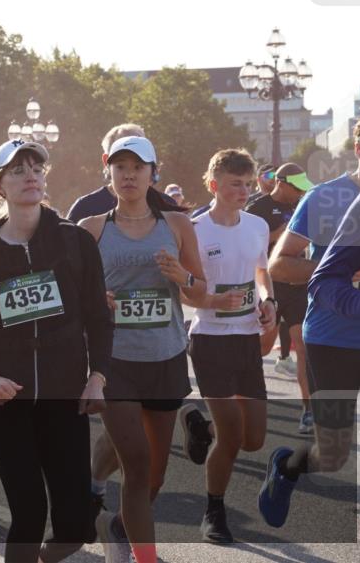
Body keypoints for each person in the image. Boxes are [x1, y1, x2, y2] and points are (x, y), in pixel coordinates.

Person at [0, 139, 111, 563]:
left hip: (63, 396)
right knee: (29, 511)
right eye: (17, 170)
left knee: (74, 525)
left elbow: (98, 317)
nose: (30, 175)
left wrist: (98, 376)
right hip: (6, 400)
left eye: (36, 166)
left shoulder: (74, 243)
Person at [79, 136, 204, 562]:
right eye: (120, 167)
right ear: (108, 170)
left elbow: (200, 294)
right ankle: (145, 557)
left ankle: (117, 528)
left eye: (137, 167)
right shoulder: (92, 229)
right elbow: (70, 298)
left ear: (154, 172)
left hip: (165, 358)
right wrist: (96, 301)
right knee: (136, 464)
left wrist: (183, 277)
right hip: (114, 362)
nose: (128, 174)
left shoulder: (178, 225)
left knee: (154, 477)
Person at [258, 110, 360, 529]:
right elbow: (278, 264)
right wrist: (335, 269)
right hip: (334, 339)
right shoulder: (325, 198)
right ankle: (287, 467)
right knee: (333, 454)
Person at [175, 148, 276, 544]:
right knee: (232, 438)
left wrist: (268, 301)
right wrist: (212, 300)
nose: (244, 191)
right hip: (210, 340)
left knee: (254, 439)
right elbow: (183, 289)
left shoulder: (256, 225)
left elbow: (261, 272)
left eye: (249, 184)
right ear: (214, 185)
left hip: (247, 338)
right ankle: (214, 510)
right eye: (236, 184)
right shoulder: (196, 230)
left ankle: (199, 425)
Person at [248, 163, 314, 433]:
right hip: (269, 286)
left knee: (303, 348)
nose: (300, 193)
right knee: (262, 349)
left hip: (297, 284)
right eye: (296, 187)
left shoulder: (304, 205)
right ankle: (249, 399)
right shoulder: (257, 208)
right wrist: (282, 233)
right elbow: (249, 250)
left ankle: (308, 410)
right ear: (281, 183)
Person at [66, 124, 177, 223]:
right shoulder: (85, 210)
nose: (129, 174)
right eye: (121, 164)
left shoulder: (169, 208)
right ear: (106, 160)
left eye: (138, 164)